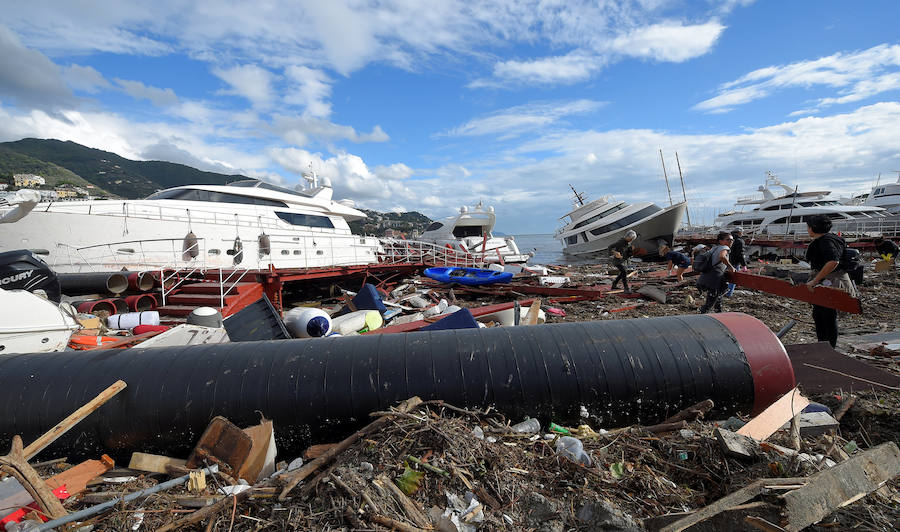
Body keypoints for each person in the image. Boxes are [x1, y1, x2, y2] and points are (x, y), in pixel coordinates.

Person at [805, 214, 858, 348]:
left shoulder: (826, 241)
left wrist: (815, 281)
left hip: (831, 280)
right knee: (819, 314)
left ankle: (829, 348)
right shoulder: (830, 238)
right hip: (828, 279)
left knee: (827, 315)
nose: (807, 229)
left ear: (813, 227)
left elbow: (833, 261)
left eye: (808, 226)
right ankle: (823, 346)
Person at [697, 232, 736, 314]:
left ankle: (718, 311)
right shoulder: (724, 247)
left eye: (732, 240)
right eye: (728, 240)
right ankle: (704, 314)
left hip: (707, 275)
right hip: (715, 276)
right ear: (721, 241)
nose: (731, 241)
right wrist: (730, 267)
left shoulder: (714, 248)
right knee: (713, 298)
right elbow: (722, 256)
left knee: (717, 294)